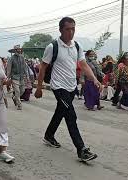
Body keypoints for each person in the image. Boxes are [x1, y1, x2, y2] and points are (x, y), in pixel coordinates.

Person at [35, 17, 102, 162]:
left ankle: (49, 135)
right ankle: (81, 150)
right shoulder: (52, 47)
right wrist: (39, 87)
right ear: (61, 30)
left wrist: (95, 79)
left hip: (72, 87)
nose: (71, 32)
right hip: (59, 87)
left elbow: (84, 65)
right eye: (68, 29)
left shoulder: (77, 46)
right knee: (71, 116)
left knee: (61, 112)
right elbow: (43, 68)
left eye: (73, 29)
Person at [7, 45, 28, 110]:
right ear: (15, 51)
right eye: (17, 49)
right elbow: (9, 68)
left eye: (20, 49)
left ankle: (14, 98)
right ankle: (19, 105)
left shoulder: (22, 57)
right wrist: (8, 77)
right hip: (14, 77)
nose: (19, 50)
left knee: (22, 90)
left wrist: (27, 76)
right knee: (17, 91)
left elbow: (25, 67)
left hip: (21, 77)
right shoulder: (11, 58)